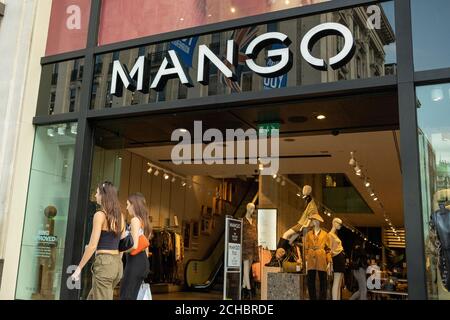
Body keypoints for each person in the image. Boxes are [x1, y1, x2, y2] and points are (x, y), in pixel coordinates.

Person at [72, 181, 125, 300]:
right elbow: (122, 245)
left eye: (97, 193)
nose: (95, 195)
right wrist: (115, 262)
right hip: (117, 265)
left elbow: (92, 246)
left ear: (103, 195)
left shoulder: (99, 215)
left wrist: (79, 268)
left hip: (104, 265)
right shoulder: (120, 216)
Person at [120, 193, 152, 300]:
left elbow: (134, 245)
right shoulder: (144, 222)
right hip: (142, 262)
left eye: (128, 204)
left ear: (134, 205)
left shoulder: (135, 220)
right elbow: (146, 248)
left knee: (126, 295)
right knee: (133, 295)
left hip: (135, 261)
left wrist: (120, 250)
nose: (127, 207)